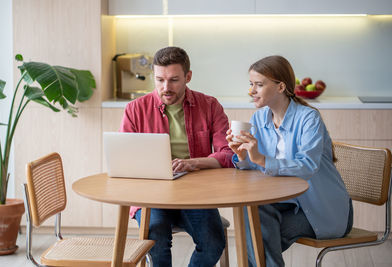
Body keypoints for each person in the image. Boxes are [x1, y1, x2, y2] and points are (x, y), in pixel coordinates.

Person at [226, 55, 353, 267]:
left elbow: (308, 166)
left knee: (257, 240)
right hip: (284, 201)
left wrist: (261, 158)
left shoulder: (308, 118)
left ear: (280, 87)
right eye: (251, 85)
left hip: (321, 209)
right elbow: (258, 165)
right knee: (253, 215)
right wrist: (243, 157)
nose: (251, 91)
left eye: (259, 85)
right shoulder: (259, 118)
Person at [120, 46, 234, 267]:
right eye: (160, 80)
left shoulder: (209, 106)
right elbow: (125, 158)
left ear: (188, 77)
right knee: (156, 242)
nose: (166, 87)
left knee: (213, 243)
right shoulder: (135, 109)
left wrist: (192, 163)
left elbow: (228, 154)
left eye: (173, 80)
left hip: (196, 194)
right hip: (151, 196)